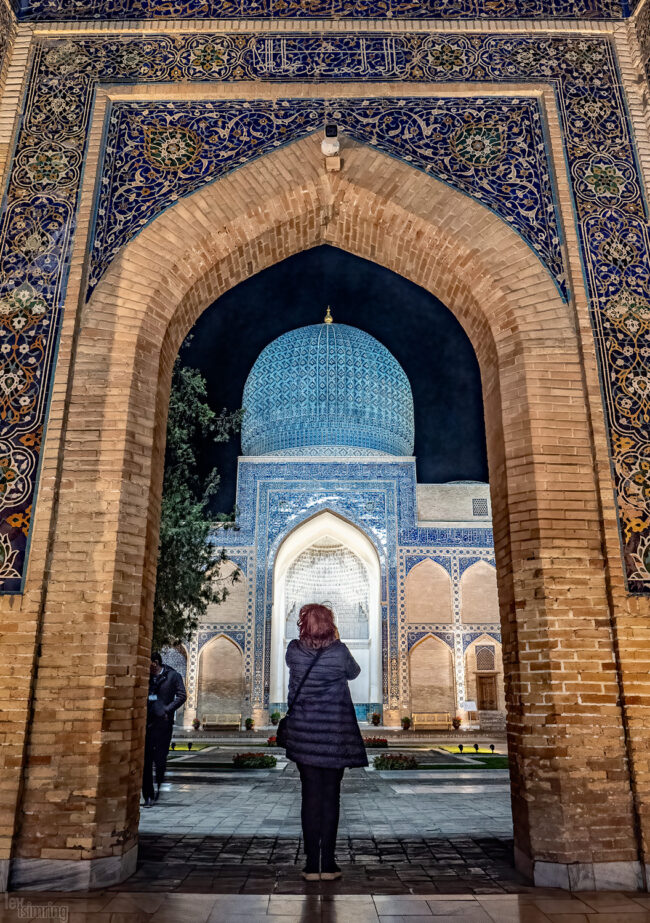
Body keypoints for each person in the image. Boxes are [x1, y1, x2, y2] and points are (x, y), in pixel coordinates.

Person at [285, 603, 368, 881]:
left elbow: (294, 680)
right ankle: (329, 864)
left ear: (303, 624)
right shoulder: (340, 652)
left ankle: (311, 865)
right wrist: (337, 642)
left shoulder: (294, 651)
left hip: (305, 735)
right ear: (330, 624)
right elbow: (354, 671)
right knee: (331, 798)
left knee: (310, 798)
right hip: (334, 735)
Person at [142, 652, 187, 808]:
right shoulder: (145, 677)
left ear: (155, 663)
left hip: (163, 724)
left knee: (160, 760)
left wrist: (167, 709)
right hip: (146, 724)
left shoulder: (173, 676)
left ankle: (159, 785)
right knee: (145, 761)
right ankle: (148, 795)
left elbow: (182, 695)